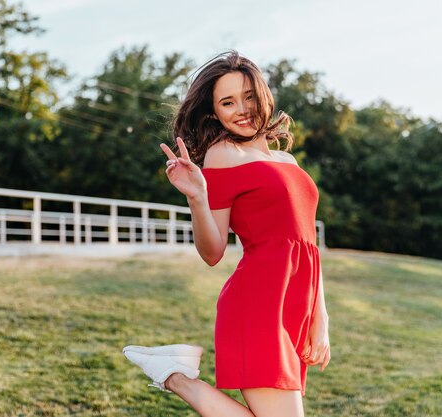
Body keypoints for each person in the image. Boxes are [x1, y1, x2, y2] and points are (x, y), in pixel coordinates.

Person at [123, 51, 330, 417]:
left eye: (249, 96)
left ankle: (173, 371)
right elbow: (213, 251)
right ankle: (175, 377)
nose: (242, 109)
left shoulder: (288, 161)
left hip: (293, 307)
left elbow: (306, 245)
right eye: (227, 102)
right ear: (214, 112)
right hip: (258, 305)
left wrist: (320, 317)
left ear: (264, 95)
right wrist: (198, 197)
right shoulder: (223, 154)